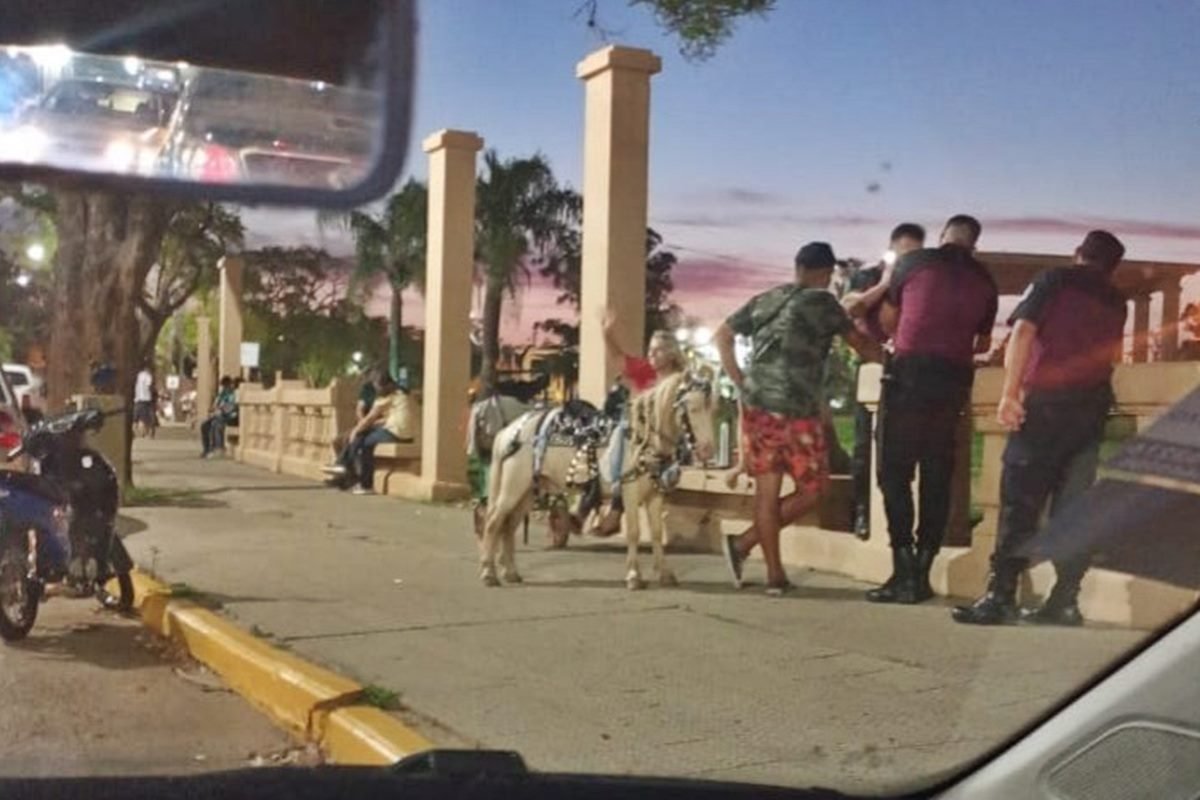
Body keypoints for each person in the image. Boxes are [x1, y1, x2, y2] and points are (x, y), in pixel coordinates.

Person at [953, 231, 1128, 626]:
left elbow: (1024, 330)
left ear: (1078, 254)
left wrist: (1010, 392)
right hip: (1092, 408)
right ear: (1112, 267)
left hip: (1047, 405)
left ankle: (1001, 596)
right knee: (1073, 508)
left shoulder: (1054, 280)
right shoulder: (1117, 300)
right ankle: (1065, 600)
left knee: (1021, 499)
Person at [715, 242, 881, 595]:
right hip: (797, 412)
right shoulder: (822, 303)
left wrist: (743, 383)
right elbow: (862, 346)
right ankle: (747, 549)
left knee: (767, 491)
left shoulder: (766, 299)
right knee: (816, 489)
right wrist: (893, 361)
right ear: (825, 273)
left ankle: (767, 568)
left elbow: (722, 336)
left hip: (757, 410)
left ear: (798, 267)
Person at [866, 215, 998, 605]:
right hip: (953, 383)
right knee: (937, 478)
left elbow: (891, 322)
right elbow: (981, 343)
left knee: (893, 474)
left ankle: (901, 570)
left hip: (909, 377)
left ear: (943, 236)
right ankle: (921, 575)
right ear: (975, 243)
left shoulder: (914, 263)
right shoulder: (986, 281)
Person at [840, 223, 926, 538]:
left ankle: (902, 518)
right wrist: (887, 282)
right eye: (903, 255)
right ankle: (862, 511)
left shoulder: (920, 282)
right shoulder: (867, 277)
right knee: (865, 444)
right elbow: (849, 309)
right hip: (871, 369)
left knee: (904, 448)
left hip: (908, 370)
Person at [588, 311, 689, 536]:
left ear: (671, 354)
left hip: (669, 438)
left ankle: (615, 509)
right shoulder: (644, 370)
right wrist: (607, 334)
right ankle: (615, 504)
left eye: (658, 350)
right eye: (650, 349)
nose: (652, 354)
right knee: (623, 436)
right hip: (640, 435)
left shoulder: (681, 379)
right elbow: (617, 358)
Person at [323, 375, 414, 496]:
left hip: (396, 433)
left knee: (364, 443)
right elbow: (390, 418)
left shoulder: (387, 397)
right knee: (361, 437)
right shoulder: (402, 393)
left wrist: (356, 430)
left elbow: (370, 418)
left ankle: (364, 483)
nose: (377, 390)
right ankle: (345, 467)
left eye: (378, 388)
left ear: (386, 386)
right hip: (405, 433)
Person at [330, 367, 380, 460]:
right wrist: (362, 421)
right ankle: (345, 466)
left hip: (375, 426)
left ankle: (344, 465)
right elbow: (359, 408)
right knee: (337, 441)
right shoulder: (367, 388)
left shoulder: (384, 393)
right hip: (364, 424)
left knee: (352, 440)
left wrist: (365, 424)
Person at [200, 376, 238, 458]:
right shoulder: (221, 395)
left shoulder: (232, 394)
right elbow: (215, 405)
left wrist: (221, 410)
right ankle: (207, 449)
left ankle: (218, 447)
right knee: (204, 425)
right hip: (218, 415)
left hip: (229, 417)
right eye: (223, 385)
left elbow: (230, 408)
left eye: (226, 385)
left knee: (216, 424)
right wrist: (213, 410)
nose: (225, 387)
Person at [134, 363, 155, 437]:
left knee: (137, 416)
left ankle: (136, 431)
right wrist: (152, 393)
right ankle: (145, 432)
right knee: (145, 416)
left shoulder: (139, 375)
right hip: (146, 398)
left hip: (138, 398)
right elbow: (149, 385)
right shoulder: (148, 376)